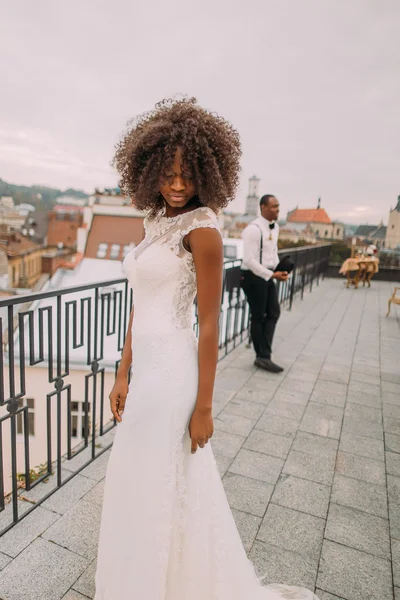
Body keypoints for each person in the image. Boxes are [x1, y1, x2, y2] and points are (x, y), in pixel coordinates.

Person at [95, 97, 319, 600]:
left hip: (175, 374)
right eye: (168, 174)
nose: (177, 185)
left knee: (166, 477)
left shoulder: (204, 230)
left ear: (207, 174)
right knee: (137, 476)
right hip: (145, 371)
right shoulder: (153, 222)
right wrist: (122, 372)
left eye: (188, 175)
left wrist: (204, 407)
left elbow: (212, 322)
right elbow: (141, 305)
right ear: (148, 169)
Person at [241, 195, 288, 373]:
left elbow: (272, 253)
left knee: (274, 312)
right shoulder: (252, 230)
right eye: (274, 206)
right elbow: (248, 260)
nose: (277, 209)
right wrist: (271, 274)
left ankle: (264, 353)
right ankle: (261, 357)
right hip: (252, 276)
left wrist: (279, 269)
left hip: (268, 274)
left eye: (278, 206)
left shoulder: (275, 227)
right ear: (263, 207)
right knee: (258, 316)